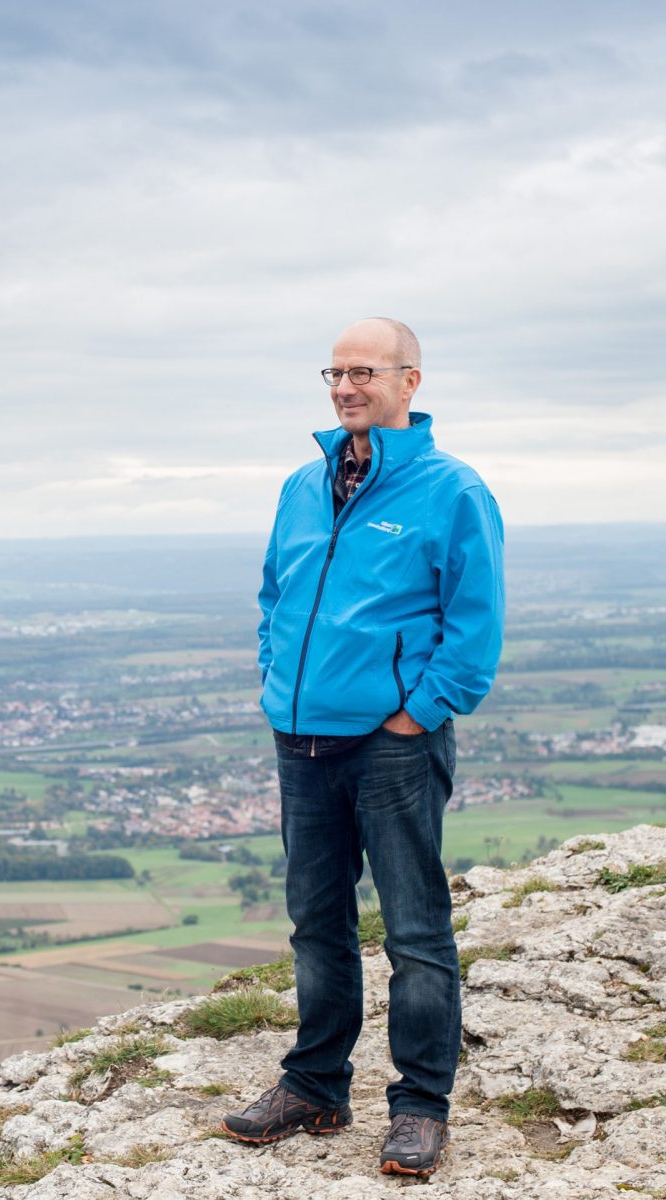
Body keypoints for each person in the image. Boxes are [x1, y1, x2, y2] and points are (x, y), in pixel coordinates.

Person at [222, 317, 504, 1177]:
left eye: (365, 372)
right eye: (334, 373)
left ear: (410, 382)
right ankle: (314, 1085)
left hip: (392, 746)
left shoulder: (452, 491)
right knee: (316, 924)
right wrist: (277, 682)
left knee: (415, 931)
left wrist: (418, 713)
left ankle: (420, 1106)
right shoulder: (303, 485)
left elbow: (475, 624)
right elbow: (276, 596)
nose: (346, 387)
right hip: (300, 739)